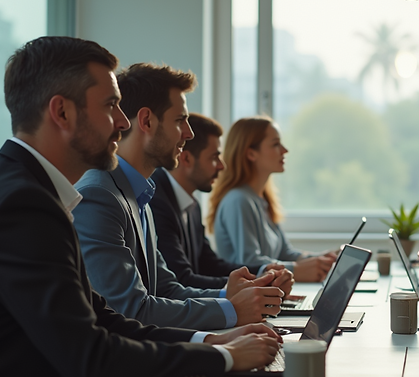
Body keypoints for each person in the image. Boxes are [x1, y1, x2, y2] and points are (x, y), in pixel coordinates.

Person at [0, 37, 281, 377]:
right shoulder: (22, 204)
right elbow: (91, 357)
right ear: (62, 112)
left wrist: (213, 340)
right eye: (110, 106)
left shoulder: (30, 190)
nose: (122, 121)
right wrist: (222, 357)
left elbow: (102, 318)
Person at [74, 63, 289, 331]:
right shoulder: (99, 195)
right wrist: (232, 311)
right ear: (147, 121)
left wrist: (230, 295)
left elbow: (166, 289)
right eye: (179, 121)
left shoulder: (139, 194)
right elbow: (130, 309)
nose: (189, 133)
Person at [150, 112, 293, 293]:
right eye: (214, 157)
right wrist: (251, 285)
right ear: (186, 159)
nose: (221, 166)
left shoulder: (191, 205)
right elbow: (182, 279)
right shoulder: (156, 202)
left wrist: (262, 273)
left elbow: (210, 264)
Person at [209, 116, 336, 282]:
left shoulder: (262, 200)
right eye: (275, 144)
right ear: (251, 154)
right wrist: (296, 270)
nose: (284, 150)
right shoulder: (238, 201)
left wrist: (323, 259)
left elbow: (285, 253)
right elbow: (249, 262)